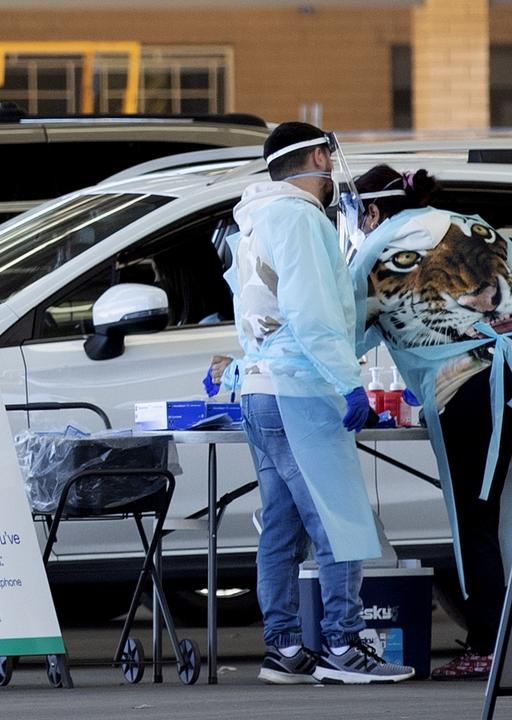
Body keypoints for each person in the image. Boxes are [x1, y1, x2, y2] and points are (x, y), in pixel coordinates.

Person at [211, 123, 414, 685]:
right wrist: (349, 382)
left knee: (280, 526)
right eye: (329, 157)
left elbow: (268, 310)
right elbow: (313, 312)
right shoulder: (300, 219)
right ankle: (343, 647)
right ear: (320, 156)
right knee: (337, 522)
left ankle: (284, 649)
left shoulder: (251, 220)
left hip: (260, 391)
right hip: (302, 390)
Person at [349, 165, 512, 680]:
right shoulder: (477, 224)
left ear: (372, 211)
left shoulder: (376, 252)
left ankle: (487, 645)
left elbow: (344, 336)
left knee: (475, 523)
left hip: (471, 384)